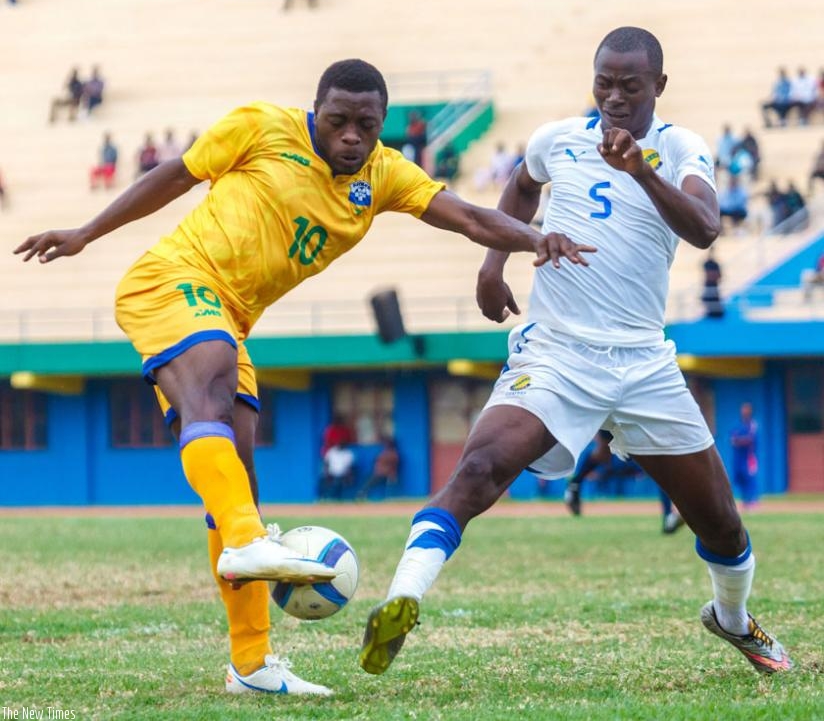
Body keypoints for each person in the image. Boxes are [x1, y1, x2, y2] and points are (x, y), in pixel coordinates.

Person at [15, 58, 588, 697]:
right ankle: (246, 541)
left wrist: (538, 239)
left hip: (230, 316)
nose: (350, 135)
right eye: (337, 121)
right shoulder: (261, 127)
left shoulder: (386, 175)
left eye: (365, 125)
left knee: (239, 473)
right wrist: (87, 233)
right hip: (172, 281)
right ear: (316, 113)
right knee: (211, 392)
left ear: (380, 126)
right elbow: (174, 175)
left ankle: (252, 665)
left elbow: (471, 216)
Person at [361, 28, 791, 680]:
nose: (615, 97)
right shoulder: (556, 138)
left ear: (659, 87)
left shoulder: (679, 147)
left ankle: (732, 620)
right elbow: (521, 190)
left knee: (723, 526)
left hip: (644, 362)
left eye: (631, 86)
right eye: (604, 83)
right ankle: (401, 600)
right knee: (481, 465)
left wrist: (640, 169)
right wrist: (492, 264)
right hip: (558, 352)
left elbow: (705, 229)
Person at [730, 403, 759, 510]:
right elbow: (732, 439)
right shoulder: (738, 425)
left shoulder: (752, 424)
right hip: (738, 458)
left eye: (746, 410)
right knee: (740, 478)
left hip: (748, 457)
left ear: (750, 411)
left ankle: (753, 501)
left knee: (749, 478)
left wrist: (739, 440)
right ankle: (745, 501)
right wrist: (739, 440)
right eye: (743, 409)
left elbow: (750, 439)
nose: (744, 412)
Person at [701, 247, 724, 318]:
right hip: (708, 285)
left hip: (714, 285)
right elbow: (708, 274)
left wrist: (713, 276)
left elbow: (720, 275)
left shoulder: (716, 264)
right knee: (708, 300)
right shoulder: (706, 263)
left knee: (714, 300)